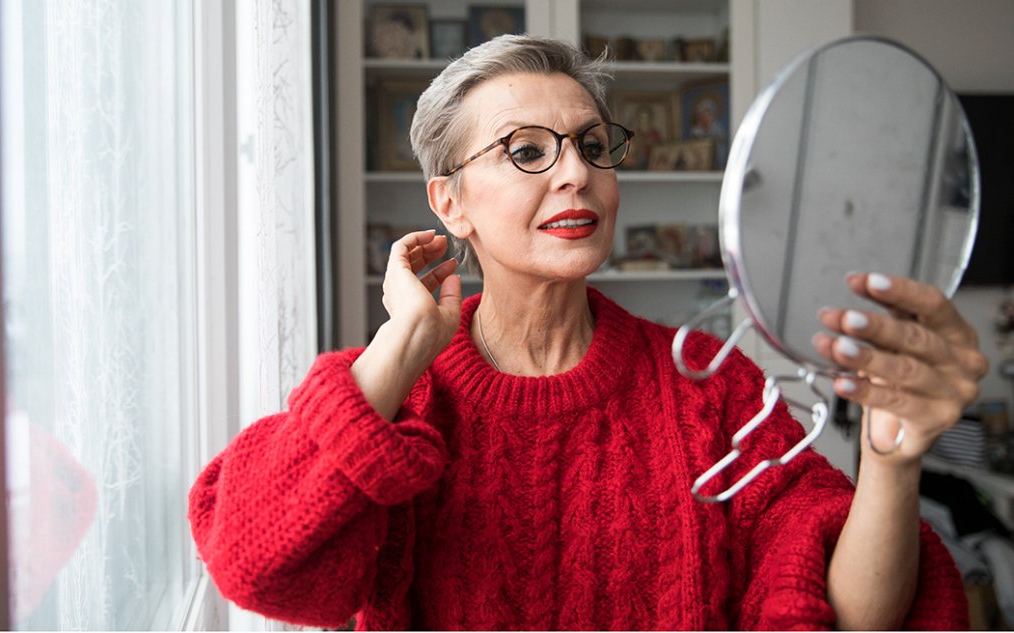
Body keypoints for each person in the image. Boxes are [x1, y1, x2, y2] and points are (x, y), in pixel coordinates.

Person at [188, 35, 988, 630]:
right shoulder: (402, 399)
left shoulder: (711, 389)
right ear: (450, 202)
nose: (576, 172)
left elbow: (855, 616)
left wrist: (893, 458)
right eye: (526, 151)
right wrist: (400, 345)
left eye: (593, 146)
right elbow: (254, 564)